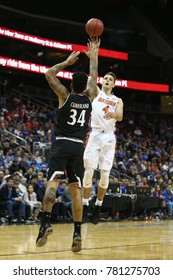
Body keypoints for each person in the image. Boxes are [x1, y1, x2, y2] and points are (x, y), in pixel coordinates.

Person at [36, 36, 100, 252]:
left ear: (71, 84)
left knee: (52, 185)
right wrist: (94, 56)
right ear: (86, 87)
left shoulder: (64, 95)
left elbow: (48, 74)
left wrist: (66, 62)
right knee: (76, 192)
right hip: (77, 148)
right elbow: (94, 78)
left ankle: (45, 223)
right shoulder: (90, 98)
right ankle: (77, 234)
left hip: (61, 144)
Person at [82, 71, 124, 224]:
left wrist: (113, 114)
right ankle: (85, 204)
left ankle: (98, 206)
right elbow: (93, 75)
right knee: (88, 171)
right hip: (95, 135)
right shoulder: (96, 93)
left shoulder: (118, 100)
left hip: (109, 137)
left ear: (113, 84)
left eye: (110, 79)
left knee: (105, 174)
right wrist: (94, 56)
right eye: (105, 78)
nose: (107, 80)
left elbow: (119, 116)